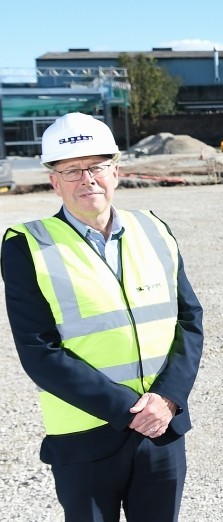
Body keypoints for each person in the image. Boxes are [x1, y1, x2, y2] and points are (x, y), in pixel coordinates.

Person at [1, 112, 204, 521]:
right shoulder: (27, 246)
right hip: (86, 439)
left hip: (161, 431)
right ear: (53, 181)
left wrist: (167, 400)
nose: (86, 179)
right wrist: (132, 410)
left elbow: (189, 320)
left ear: (116, 171)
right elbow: (39, 351)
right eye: (72, 170)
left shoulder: (154, 229)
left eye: (96, 167)